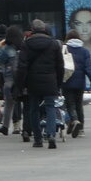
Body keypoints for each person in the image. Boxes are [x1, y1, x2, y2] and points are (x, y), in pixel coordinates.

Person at [14, 19, 64, 148]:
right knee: (50, 107)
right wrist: (58, 83)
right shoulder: (54, 44)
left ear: (32, 30)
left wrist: (20, 84)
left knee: (34, 109)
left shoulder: (26, 44)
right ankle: (51, 134)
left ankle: (37, 139)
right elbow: (60, 66)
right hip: (50, 80)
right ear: (45, 29)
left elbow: (22, 66)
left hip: (33, 81)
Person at [60, 29, 91, 138]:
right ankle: (81, 129)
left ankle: (74, 120)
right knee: (79, 105)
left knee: (70, 104)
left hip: (67, 81)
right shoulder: (84, 51)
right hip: (80, 83)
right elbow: (89, 69)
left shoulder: (64, 49)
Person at [0, 25, 24, 135]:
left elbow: (0, 61)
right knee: (27, 104)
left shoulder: (6, 49)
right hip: (22, 80)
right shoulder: (22, 48)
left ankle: (5, 126)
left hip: (10, 81)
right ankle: (25, 127)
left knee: (9, 105)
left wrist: (0, 48)